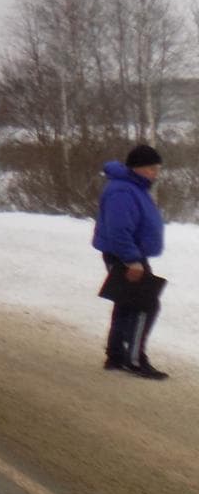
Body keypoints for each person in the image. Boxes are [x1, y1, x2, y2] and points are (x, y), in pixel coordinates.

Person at [92, 144, 168, 380]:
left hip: (129, 253)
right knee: (145, 304)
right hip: (126, 254)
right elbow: (119, 230)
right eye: (151, 168)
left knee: (126, 303)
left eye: (157, 168)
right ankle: (134, 360)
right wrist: (132, 260)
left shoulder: (133, 186)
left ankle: (116, 355)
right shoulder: (123, 191)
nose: (155, 173)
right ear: (136, 168)